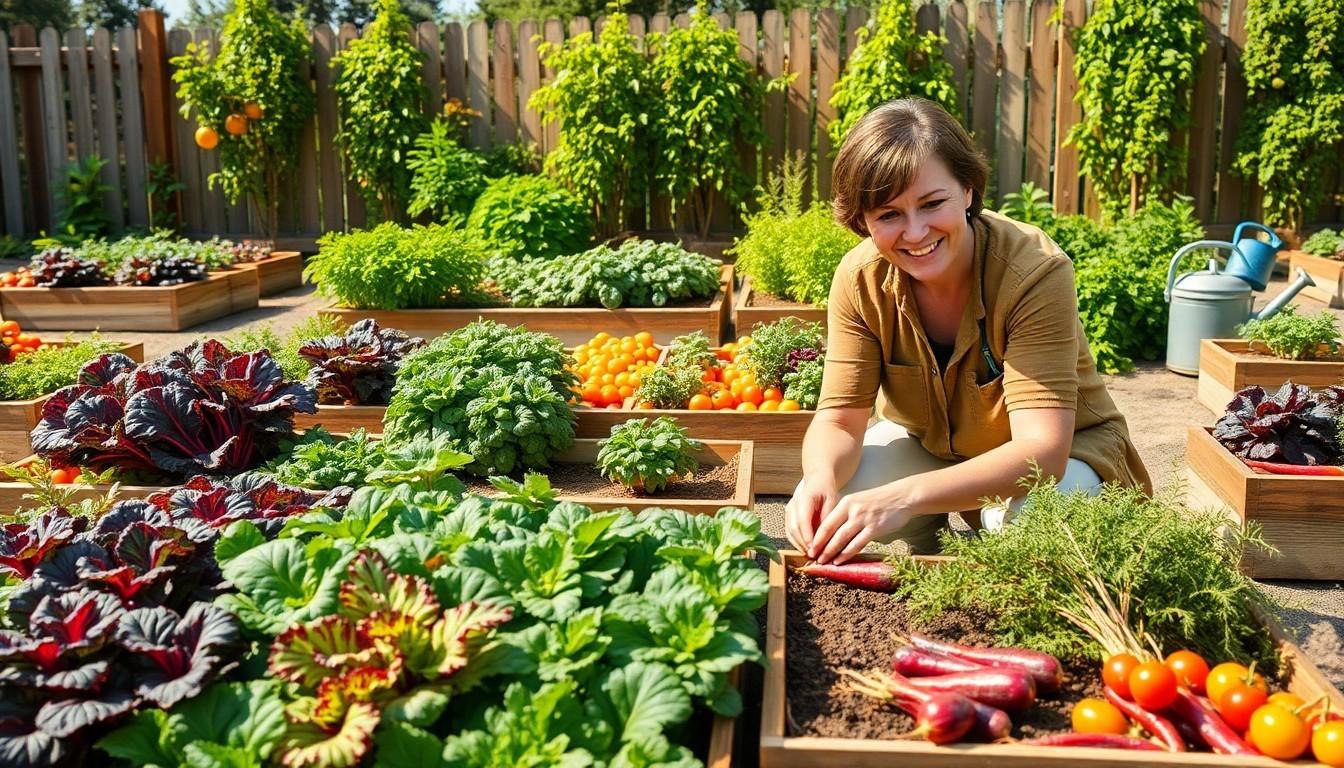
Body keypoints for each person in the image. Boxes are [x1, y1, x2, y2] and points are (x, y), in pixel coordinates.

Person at [785, 97, 1151, 565]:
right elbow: (839, 419)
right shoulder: (861, 280)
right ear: (863, 221)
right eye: (888, 215)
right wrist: (818, 476)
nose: (915, 232)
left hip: (1062, 464)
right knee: (829, 500)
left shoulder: (1033, 272)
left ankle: (1004, 566)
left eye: (932, 203)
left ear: (968, 191)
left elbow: (1043, 452)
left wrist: (903, 497)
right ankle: (930, 552)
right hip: (936, 452)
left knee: (1025, 520)